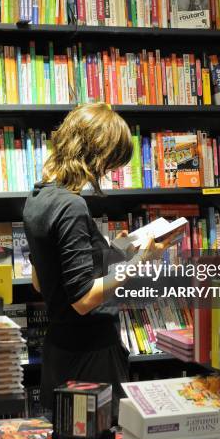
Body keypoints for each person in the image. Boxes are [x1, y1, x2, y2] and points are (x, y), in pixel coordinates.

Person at [23, 103, 180, 417]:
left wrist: (125, 247)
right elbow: (83, 299)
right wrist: (144, 259)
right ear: (95, 152)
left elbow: (41, 282)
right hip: (90, 358)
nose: (106, 172)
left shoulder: (38, 198)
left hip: (60, 352)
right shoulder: (71, 206)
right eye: (109, 162)